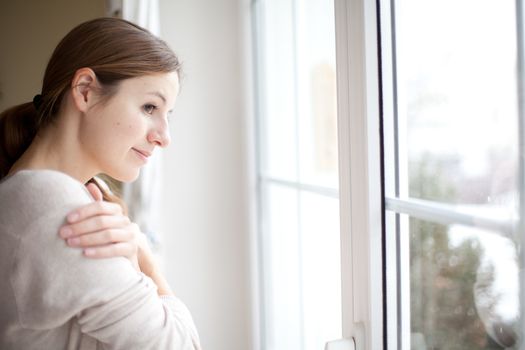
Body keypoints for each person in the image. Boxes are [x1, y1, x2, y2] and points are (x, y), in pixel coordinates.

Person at [0, 17, 201, 350]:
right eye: (149, 106)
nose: (164, 137)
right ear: (85, 91)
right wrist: (146, 261)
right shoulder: (64, 215)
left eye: (168, 114)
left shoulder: (35, 191)